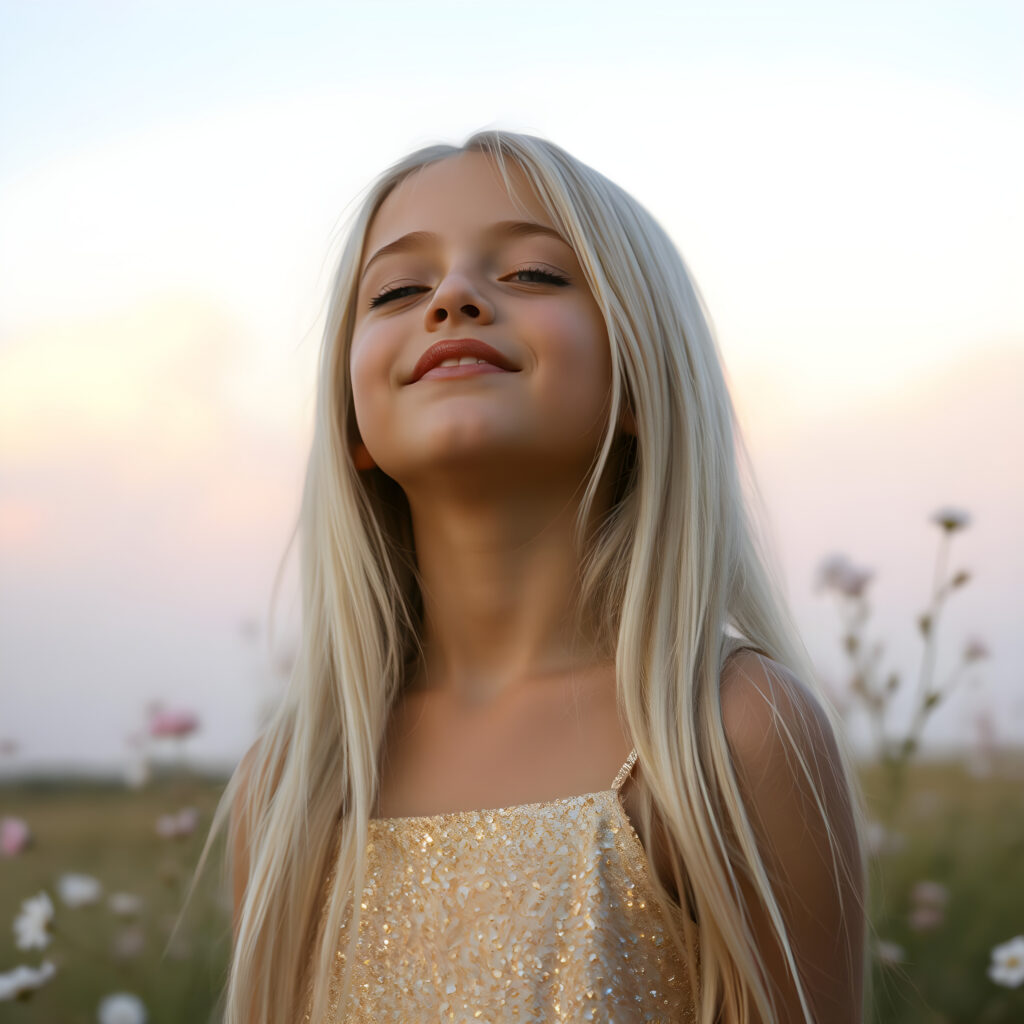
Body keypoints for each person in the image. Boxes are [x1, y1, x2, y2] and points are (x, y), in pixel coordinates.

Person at [204, 131, 867, 1023]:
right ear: (352, 421)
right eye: (399, 290)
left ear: (641, 380)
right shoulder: (292, 787)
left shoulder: (728, 736)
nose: (452, 298)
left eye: (533, 275)